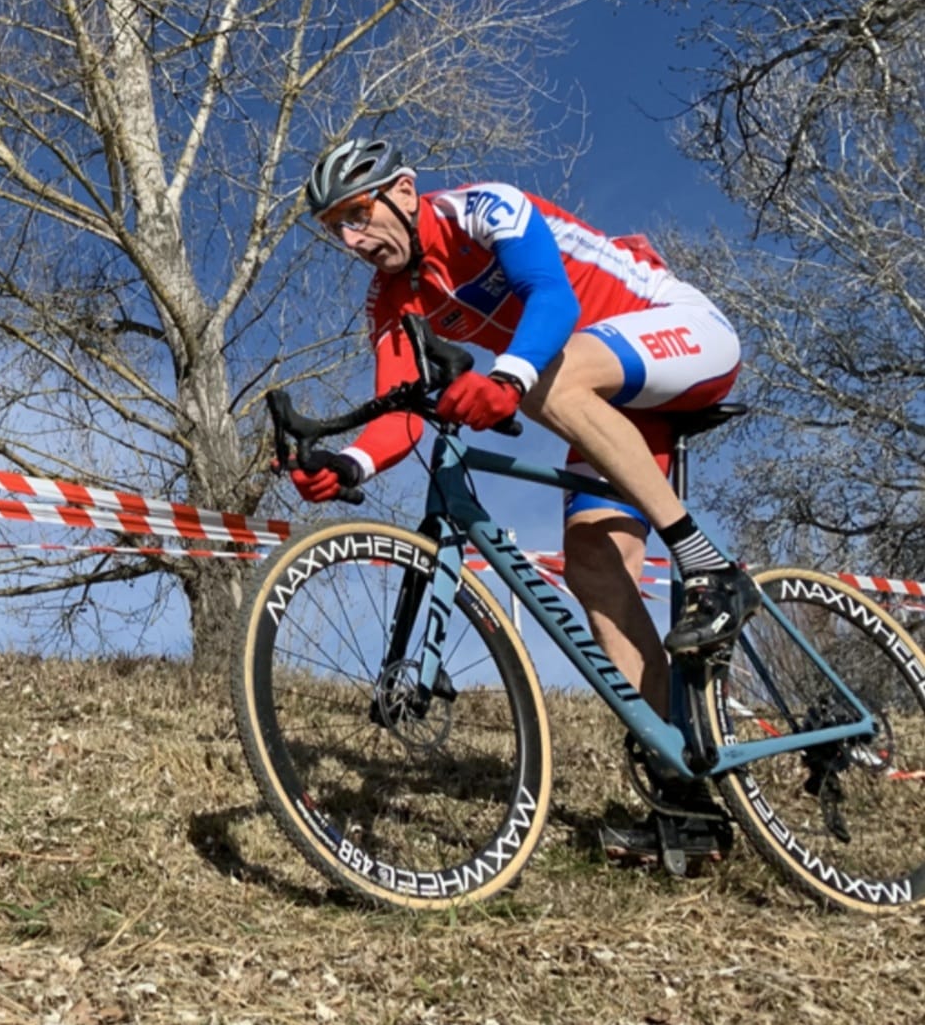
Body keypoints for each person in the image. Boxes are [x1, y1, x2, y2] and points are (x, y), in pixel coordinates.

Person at [293, 136, 760, 858]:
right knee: (595, 571)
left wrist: (506, 378)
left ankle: (708, 566)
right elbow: (402, 405)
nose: (354, 239)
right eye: (336, 229)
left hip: (679, 333)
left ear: (405, 191)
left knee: (549, 379)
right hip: (616, 408)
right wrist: (350, 465)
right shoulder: (393, 296)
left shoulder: (484, 209)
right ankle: (687, 802)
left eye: (359, 213)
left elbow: (552, 296)